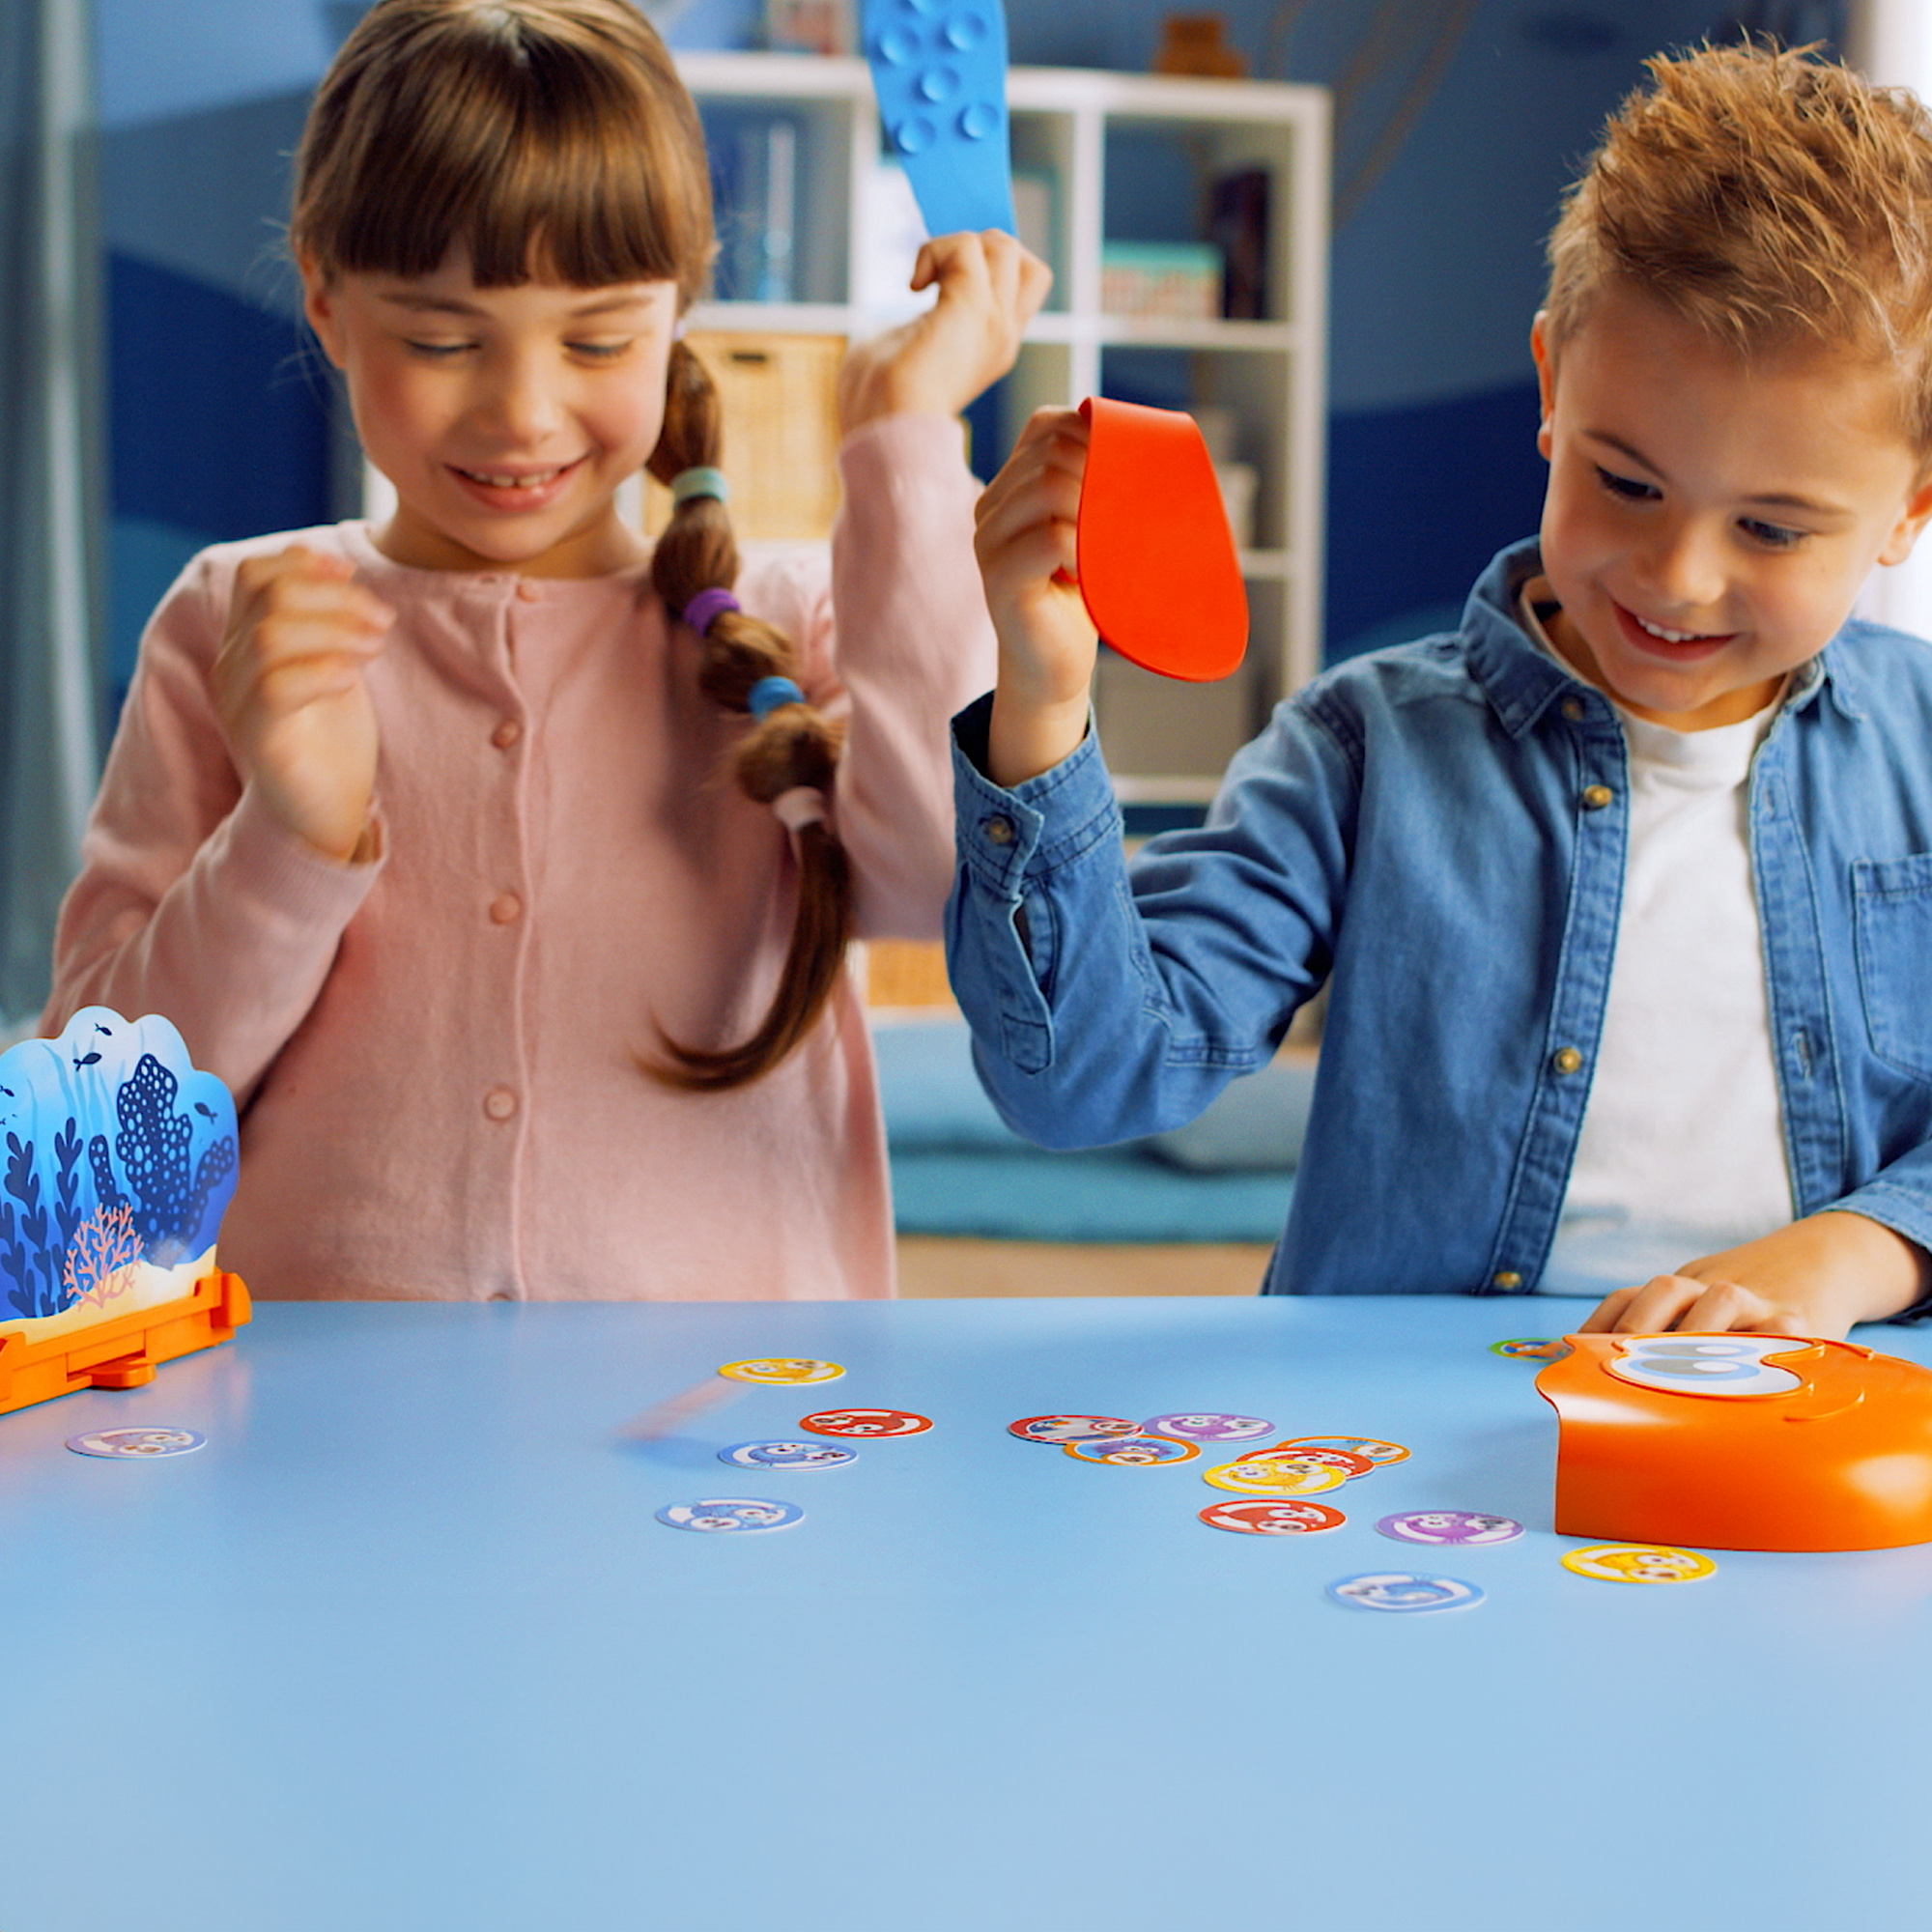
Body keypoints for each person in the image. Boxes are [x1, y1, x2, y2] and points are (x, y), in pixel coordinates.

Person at [44, 0, 1048, 1301]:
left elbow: (941, 891)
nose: (522, 413)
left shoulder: (793, 614)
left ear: (681, 310)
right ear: (325, 303)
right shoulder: (237, 615)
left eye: (596, 340)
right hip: (326, 1430)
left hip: (738, 1434)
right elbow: (93, 1162)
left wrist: (907, 437)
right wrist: (288, 840)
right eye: (442, 339)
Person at [949, 43, 1932, 1343]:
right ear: (1549, 387)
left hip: (1818, 1435)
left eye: (1771, 529)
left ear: (1909, 508)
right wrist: (1042, 700)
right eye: (1628, 484)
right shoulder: (1365, 746)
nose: (1680, 577)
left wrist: (1856, 1253)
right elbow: (1078, 1084)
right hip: (1411, 1434)